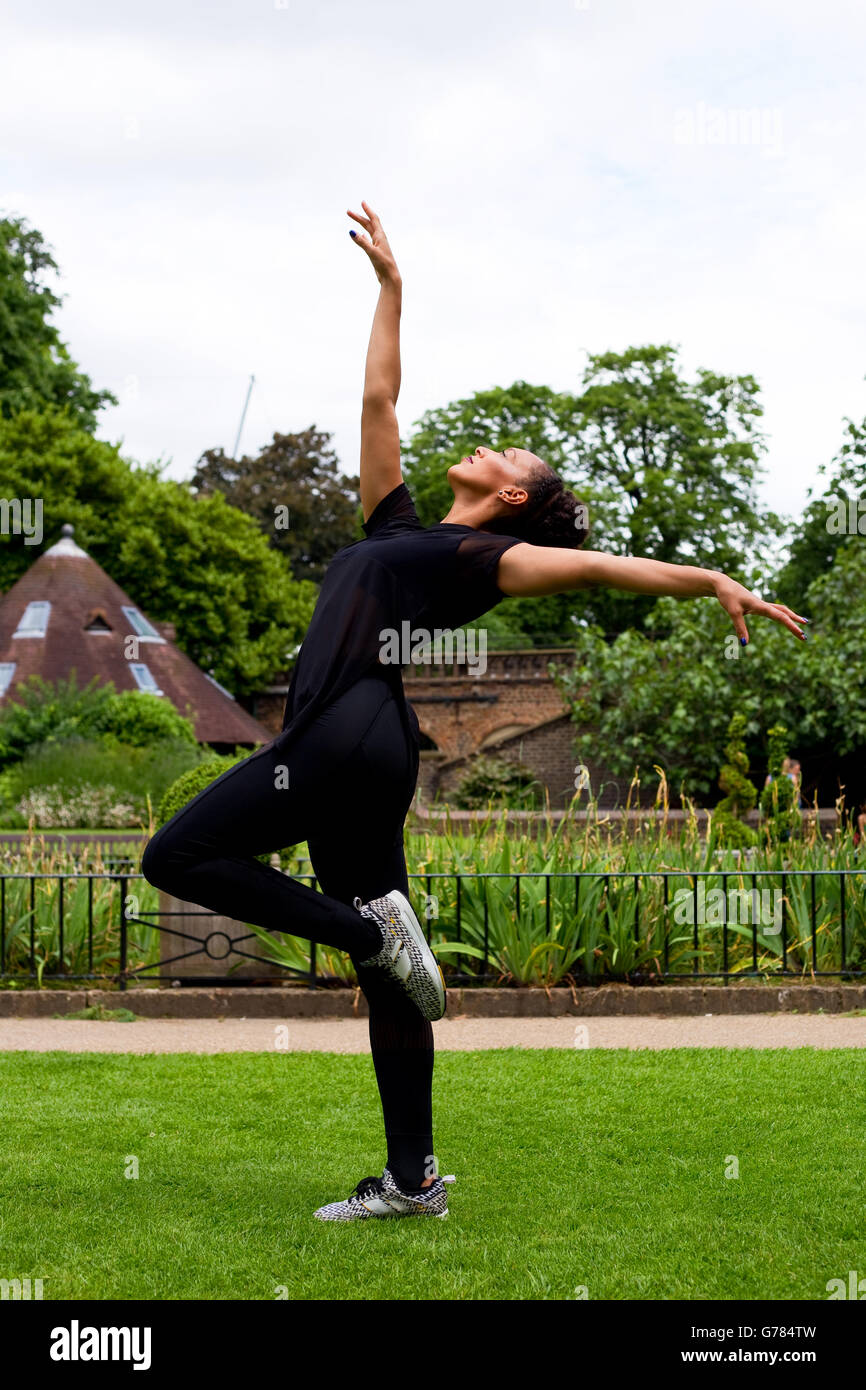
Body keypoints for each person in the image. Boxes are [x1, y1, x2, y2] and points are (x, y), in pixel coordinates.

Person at [140, 202, 809, 1222]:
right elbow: (377, 396)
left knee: (176, 858)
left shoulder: (478, 557)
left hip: (341, 730)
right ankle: (412, 1180)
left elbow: (589, 561)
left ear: (507, 500)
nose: (492, 452)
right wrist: (391, 289)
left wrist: (706, 576)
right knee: (399, 983)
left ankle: (360, 935)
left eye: (511, 463)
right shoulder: (396, 526)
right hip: (371, 748)